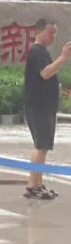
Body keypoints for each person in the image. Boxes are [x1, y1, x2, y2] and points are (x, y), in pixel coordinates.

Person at [23, 18, 71, 201]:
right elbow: (45, 73)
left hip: (42, 106)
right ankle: (33, 186)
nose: (53, 36)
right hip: (39, 107)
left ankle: (37, 183)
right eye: (51, 32)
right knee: (40, 146)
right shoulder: (37, 51)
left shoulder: (41, 51)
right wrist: (63, 58)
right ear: (39, 31)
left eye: (55, 33)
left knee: (42, 146)